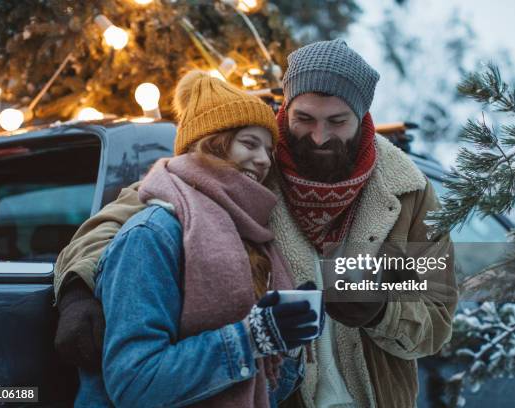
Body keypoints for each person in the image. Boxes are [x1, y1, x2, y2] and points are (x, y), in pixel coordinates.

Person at [55, 39, 458, 408]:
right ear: (286, 107)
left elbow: (437, 316)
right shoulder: (249, 160)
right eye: (305, 118)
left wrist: (381, 311)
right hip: (275, 395)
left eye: (337, 121)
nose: (318, 137)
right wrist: (77, 289)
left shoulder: (408, 192)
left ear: (362, 117)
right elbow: (131, 216)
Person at [72, 70, 323, 407]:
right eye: (249, 143)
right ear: (212, 143)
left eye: (268, 150)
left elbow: (262, 389)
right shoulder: (152, 234)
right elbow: (135, 384)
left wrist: (287, 346)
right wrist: (252, 338)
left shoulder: (250, 235)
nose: (264, 160)